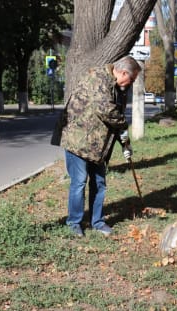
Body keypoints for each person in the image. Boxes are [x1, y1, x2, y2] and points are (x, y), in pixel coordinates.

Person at [55, 55, 141, 237]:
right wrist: (124, 126)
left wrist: (125, 143)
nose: (131, 83)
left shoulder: (120, 88)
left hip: (98, 145)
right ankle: (74, 224)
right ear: (123, 72)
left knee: (99, 183)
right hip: (78, 140)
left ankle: (98, 222)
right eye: (131, 79)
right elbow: (106, 110)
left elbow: (116, 118)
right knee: (79, 182)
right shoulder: (97, 78)